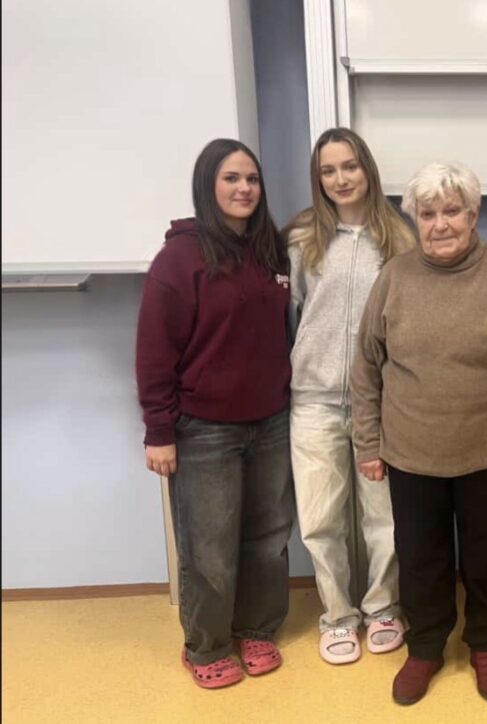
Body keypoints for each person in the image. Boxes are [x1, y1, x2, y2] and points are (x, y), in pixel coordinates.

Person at [350, 162, 487, 705]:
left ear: (473, 214)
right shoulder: (394, 278)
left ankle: (486, 643)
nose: (440, 224)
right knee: (421, 559)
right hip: (411, 454)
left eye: (451, 211)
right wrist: (367, 443)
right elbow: (366, 368)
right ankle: (425, 647)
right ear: (415, 219)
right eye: (427, 213)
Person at [136, 138, 293, 689]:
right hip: (204, 429)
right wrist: (159, 430)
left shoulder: (272, 251)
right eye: (231, 178)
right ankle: (206, 646)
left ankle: (256, 629)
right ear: (208, 185)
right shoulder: (178, 259)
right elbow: (154, 351)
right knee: (209, 546)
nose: (244, 188)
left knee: (268, 537)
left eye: (252, 179)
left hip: (271, 420)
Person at [285, 128, 416, 665]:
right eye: (328, 170)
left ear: (368, 170)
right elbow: (289, 314)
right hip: (313, 401)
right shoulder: (302, 239)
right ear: (318, 179)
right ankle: (338, 616)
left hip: (379, 404)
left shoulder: (400, 239)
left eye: (350, 167)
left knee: (384, 518)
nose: (341, 179)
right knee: (321, 519)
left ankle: (383, 608)